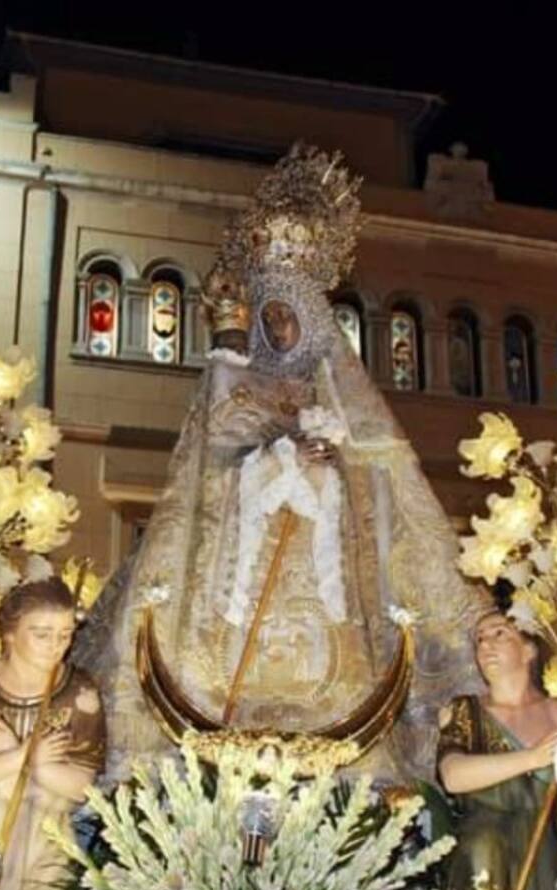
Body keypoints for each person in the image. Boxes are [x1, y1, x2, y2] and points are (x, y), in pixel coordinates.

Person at [73, 144, 484, 784]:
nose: (282, 329)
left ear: (313, 318)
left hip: (328, 579)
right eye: (272, 318)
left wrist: (332, 462)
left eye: (289, 316)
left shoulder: (342, 390)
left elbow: (383, 479)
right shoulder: (239, 380)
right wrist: (279, 445)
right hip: (243, 563)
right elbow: (210, 466)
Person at [0, 578, 105, 890]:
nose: (56, 646)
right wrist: (21, 756)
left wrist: (23, 760)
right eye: (42, 634)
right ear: (9, 633)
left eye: (65, 635)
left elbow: (82, 787)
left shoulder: (80, 692)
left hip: (47, 839)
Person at [437, 609, 557, 890]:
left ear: (528, 650)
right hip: (486, 855)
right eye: (479, 640)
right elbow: (453, 775)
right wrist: (531, 759)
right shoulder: (465, 711)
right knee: (485, 848)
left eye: (499, 633)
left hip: (547, 853)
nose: (486, 645)